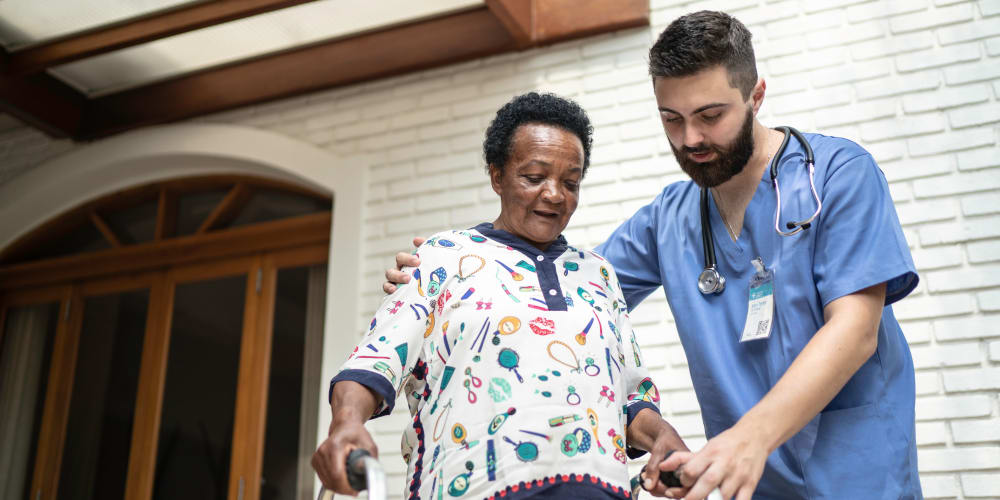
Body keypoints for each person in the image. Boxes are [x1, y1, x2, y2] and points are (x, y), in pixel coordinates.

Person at [385, 11, 921, 500]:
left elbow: (856, 330)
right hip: (744, 484)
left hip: (859, 476)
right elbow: (561, 294)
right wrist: (454, 268)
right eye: (672, 119)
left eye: (710, 115)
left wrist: (750, 438)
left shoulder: (837, 174)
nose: (691, 138)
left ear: (756, 96)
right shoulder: (671, 219)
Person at [313, 92, 689, 500]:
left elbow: (631, 394)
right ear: (497, 176)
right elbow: (373, 361)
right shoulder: (443, 257)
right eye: (534, 177)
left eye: (571, 182)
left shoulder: (598, 274)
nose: (554, 194)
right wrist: (347, 424)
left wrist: (663, 437)